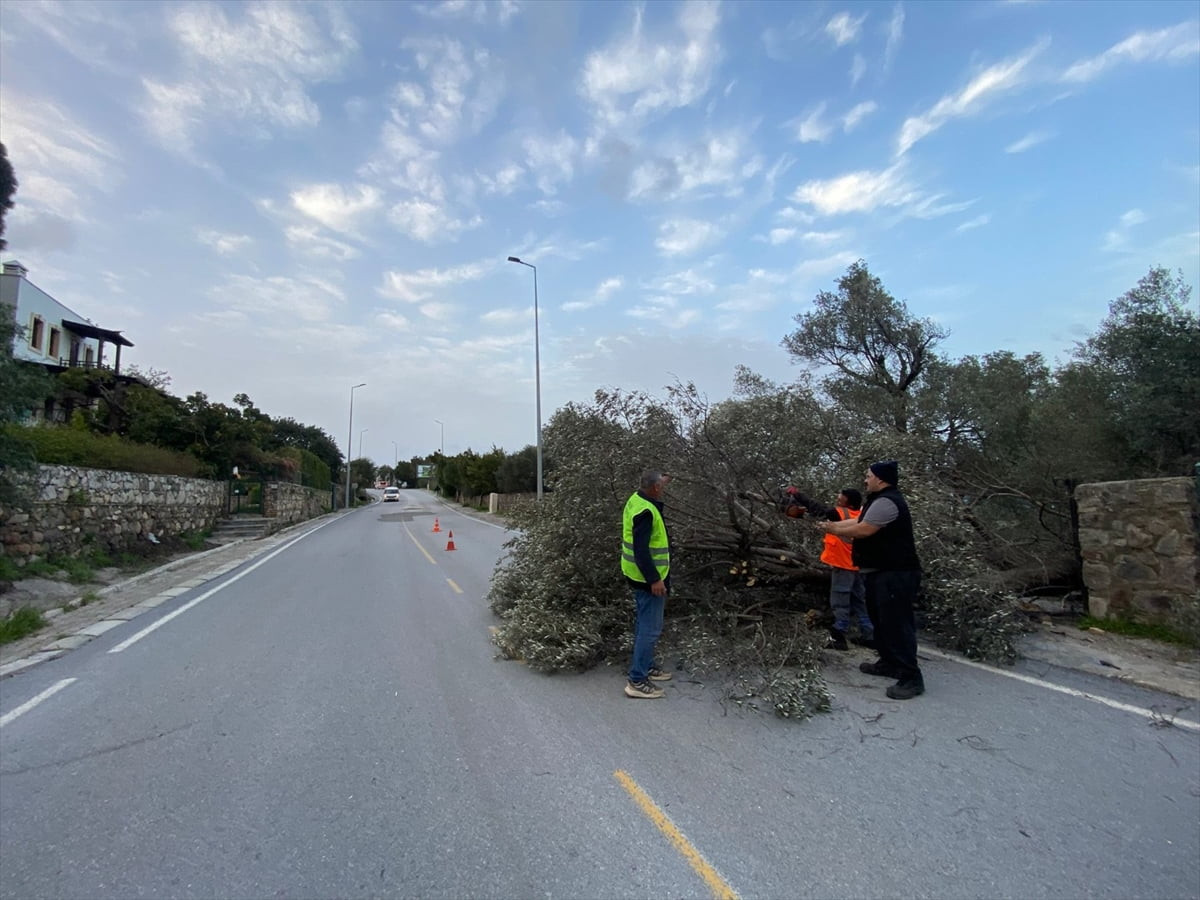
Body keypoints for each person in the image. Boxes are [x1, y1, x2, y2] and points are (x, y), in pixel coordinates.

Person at [820, 460, 924, 700]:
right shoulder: (877, 502)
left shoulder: (888, 501)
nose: (865, 480)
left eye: (868, 476)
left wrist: (833, 530)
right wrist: (830, 526)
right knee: (882, 620)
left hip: (896, 574)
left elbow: (864, 529)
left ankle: (911, 677)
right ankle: (888, 663)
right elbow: (856, 522)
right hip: (879, 572)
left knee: (898, 624)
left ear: (880, 479)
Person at [784, 486, 873, 650]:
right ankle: (869, 635)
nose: (838, 496)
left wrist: (797, 495)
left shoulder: (840, 513)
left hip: (843, 565)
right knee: (860, 601)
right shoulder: (861, 514)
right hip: (858, 566)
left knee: (840, 602)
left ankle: (838, 637)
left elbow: (817, 509)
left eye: (842, 495)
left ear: (848, 501)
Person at [621, 470, 673, 699]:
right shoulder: (645, 511)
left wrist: (660, 479)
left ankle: (647, 665)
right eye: (661, 485)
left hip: (636, 574)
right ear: (655, 488)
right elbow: (641, 550)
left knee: (645, 623)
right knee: (650, 629)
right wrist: (655, 579)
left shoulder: (638, 499)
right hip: (647, 578)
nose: (664, 487)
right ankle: (637, 680)